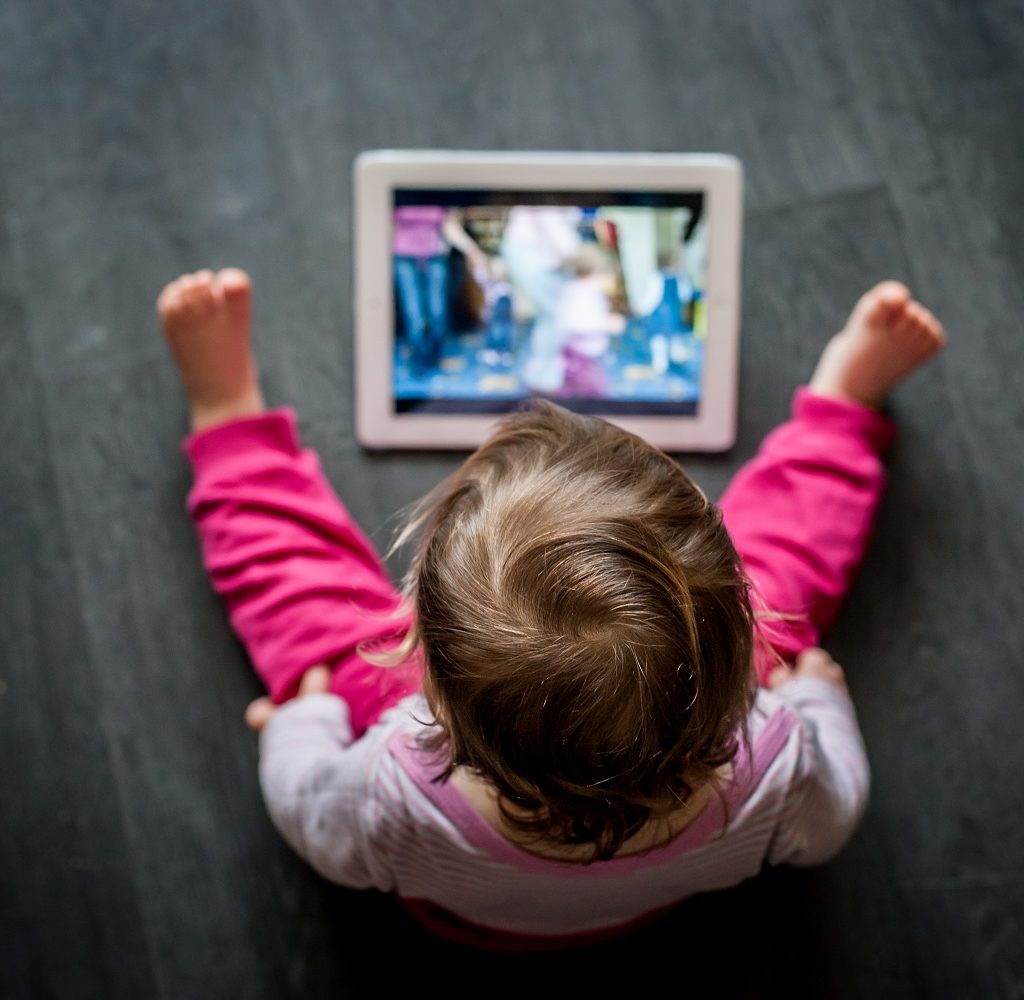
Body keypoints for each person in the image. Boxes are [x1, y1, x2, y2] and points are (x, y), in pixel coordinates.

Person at [157, 268, 946, 950]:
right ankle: (843, 411)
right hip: (654, 908)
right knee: (786, 564)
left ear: (426, 684)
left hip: (472, 921)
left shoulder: (387, 796)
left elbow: (305, 809)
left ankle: (229, 415)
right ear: (745, 642)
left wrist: (304, 723)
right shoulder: (778, 768)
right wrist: (817, 700)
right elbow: (834, 816)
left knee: (310, 617)